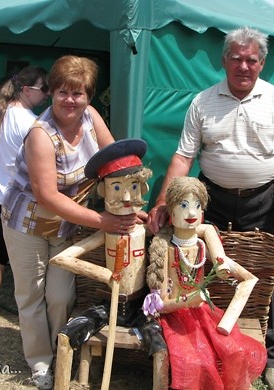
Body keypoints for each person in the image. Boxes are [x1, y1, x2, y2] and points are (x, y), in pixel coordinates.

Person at [147, 26, 274, 390]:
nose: (243, 66)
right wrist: (163, 202)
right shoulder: (202, 101)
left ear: (261, 63)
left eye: (251, 59)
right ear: (224, 61)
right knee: (198, 269)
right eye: (236, 58)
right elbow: (184, 157)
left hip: (262, 200)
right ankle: (209, 348)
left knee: (265, 271)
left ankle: (273, 357)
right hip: (208, 198)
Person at [1, 55, 137, 390]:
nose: (70, 100)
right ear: (51, 93)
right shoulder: (40, 135)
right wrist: (101, 220)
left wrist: (131, 204)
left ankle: (61, 348)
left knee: (61, 295)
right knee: (31, 296)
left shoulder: (90, 117)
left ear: (89, 97)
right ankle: (40, 363)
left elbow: (115, 159)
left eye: (78, 93)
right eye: (62, 91)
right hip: (26, 224)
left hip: (65, 224)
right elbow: (47, 195)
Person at [50, 139, 167, 389]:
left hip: (140, 307)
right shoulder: (105, 233)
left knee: (161, 349)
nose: (126, 197)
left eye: (133, 186)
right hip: (109, 305)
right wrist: (103, 273)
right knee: (66, 336)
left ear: (143, 187)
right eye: (116, 187)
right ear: (103, 191)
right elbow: (62, 258)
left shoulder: (143, 231)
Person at [145, 176, 267, 390]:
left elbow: (247, 277)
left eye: (197, 206)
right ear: (171, 212)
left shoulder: (202, 247)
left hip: (203, 314)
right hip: (175, 318)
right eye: (184, 205)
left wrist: (222, 266)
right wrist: (190, 299)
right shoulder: (166, 249)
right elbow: (161, 304)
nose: (191, 213)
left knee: (234, 350)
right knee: (194, 361)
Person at [0, 66, 49, 322]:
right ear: (27, 90)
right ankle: (29, 314)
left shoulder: (0, 113)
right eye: (44, 89)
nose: (48, 95)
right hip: (24, 199)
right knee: (27, 261)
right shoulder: (31, 122)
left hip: (0, 195)